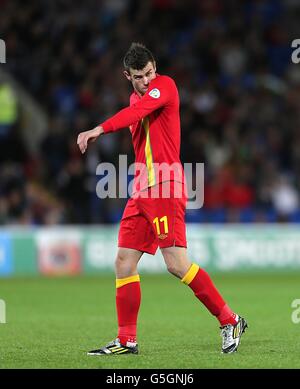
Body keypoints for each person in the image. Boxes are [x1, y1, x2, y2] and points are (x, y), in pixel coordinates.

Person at [77, 42, 247, 355]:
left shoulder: (165, 87)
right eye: (140, 77)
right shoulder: (134, 96)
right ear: (127, 76)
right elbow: (137, 116)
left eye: (150, 73)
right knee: (124, 262)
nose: (147, 81)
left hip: (165, 187)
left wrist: (97, 129)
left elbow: (137, 111)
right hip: (141, 190)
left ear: (156, 68)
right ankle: (127, 340)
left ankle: (229, 319)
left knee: (177, 264)